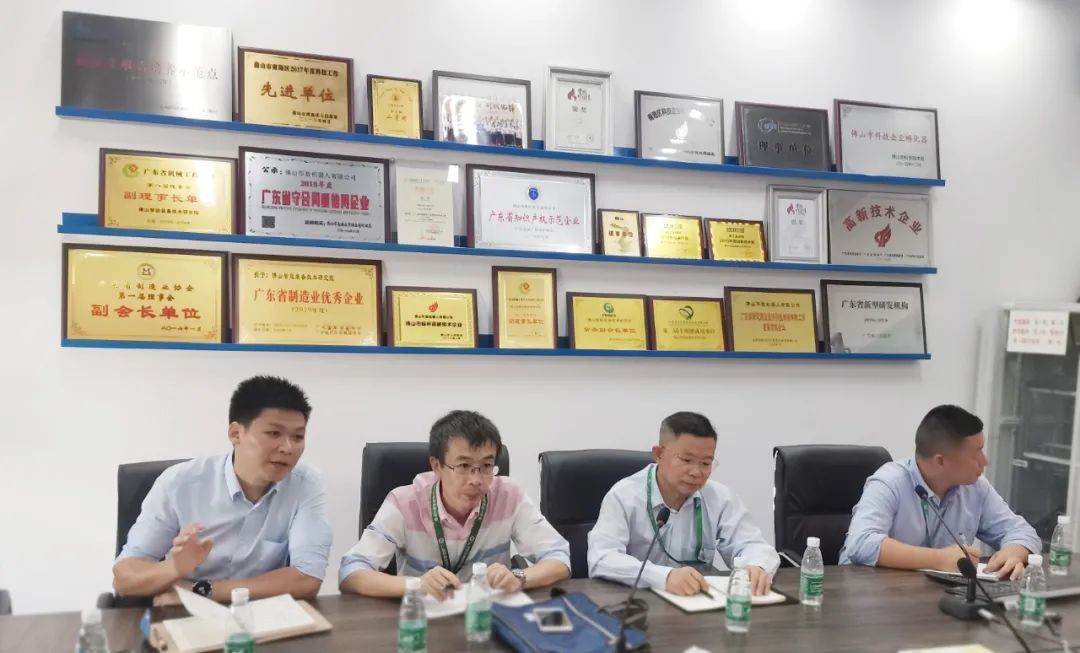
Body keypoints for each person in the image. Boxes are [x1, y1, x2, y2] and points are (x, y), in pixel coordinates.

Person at [112, 376, 332, 605]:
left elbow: (307, 578)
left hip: (259, 612)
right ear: (236, 433)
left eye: (298, 437)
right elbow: (124, 578)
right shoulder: (179, 483)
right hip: (182, 612)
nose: (288, 448)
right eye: (274, 434)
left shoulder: (305, 484)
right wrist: (174, 568)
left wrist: (198, 591)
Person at [339, 410, 571, 599]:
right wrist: (417, 584)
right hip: (423, 617)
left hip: (487, 615)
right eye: (463, 466)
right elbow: (351, 572)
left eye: (486, 466)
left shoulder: (509, 495)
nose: (476, 479)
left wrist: (519, 577)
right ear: (437, 466)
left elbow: (559, 556)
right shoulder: (404, 502)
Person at [588, 412, 779, 596]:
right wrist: (664, 577)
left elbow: (753, 544)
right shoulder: (624, 496)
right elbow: (602, 558)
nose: (696, 472)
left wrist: (757, 566)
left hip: (700, 600)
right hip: (641, 603)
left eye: (706, 463)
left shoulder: (720, 498)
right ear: (659, 454)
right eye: (686, 460)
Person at [840, 405, 1040, 580]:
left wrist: (1015, 551)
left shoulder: (976, 488)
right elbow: (861, 543)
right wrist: (940, 559)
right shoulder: (889, 482)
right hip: (869, 593)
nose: (985, 461)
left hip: (934, 595)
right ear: (941, 461)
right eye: (976, 453)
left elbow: (1022, 531)